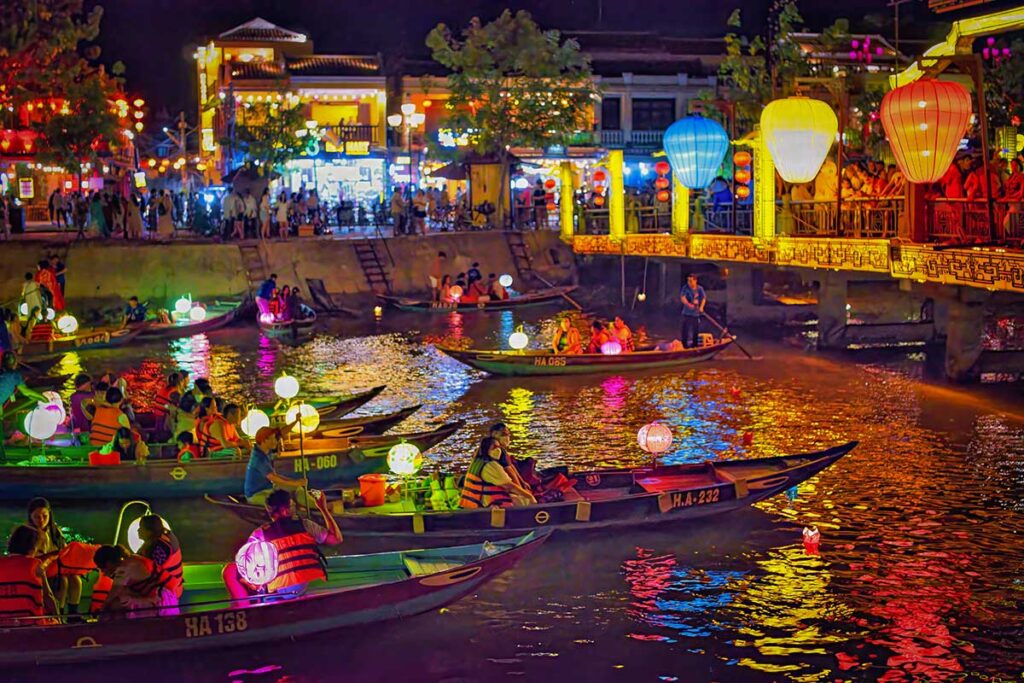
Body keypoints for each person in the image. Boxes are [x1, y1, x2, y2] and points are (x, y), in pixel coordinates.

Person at [222, 488, 341, 604]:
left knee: (230, 570)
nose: (295, 509)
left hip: (275, 590)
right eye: (293, 506)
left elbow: (245, 562)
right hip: (298, 589)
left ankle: (242, 607)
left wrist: (250, 581)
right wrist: (323, 508)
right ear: (285, 511)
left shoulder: (261, 533)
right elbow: (336, 539)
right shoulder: (306, 525)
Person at [27, 497, 84, 617]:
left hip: (56, 567)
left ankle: (73, 614)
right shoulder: (28, 533)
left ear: (50, 515)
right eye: (37, 517)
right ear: (30, 517)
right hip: (40, 569)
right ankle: (59, 614)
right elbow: (28, 558)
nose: (41, 520)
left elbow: (64, 549)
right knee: (62, 581)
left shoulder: (55, 531)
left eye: (45, 516)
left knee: (76, 579)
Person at [92, 544, 179, 618]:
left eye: (102, 568)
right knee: (122, 598)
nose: (103, 572)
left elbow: (113, 594)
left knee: (116, 604)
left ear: (108, 563)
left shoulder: (125, 567)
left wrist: (101, 611)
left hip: (162, 604)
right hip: (165, 601)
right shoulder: (133, 559)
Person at [0, 525, 58, 625]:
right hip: (31, 623)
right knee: (54, 622)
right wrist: (59, 618)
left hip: (3, 624)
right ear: (33, 548)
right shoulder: (35, 565)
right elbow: (48, 596)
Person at [460, 437, 536, 508]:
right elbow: (509, 486)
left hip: (473, 503)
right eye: (494, 447)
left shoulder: (477, 462)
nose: (498, 450)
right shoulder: (490, 465)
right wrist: (529, 496)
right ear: (486, 449)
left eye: (498, 447)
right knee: (525, 500)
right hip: (488, 504)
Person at [244, 427, 310, 506]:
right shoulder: (258, 458)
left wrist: (295, 483)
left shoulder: (266, 451)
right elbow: (273, 478)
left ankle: (315, 506)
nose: (275, 441)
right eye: (272, 439)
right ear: (264, 441)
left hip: (268, 488)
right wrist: (295, 483)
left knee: (297, 489)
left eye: (275, 438)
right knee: (285, 503)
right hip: (256, 494)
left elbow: (275, 476)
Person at [136, 515, 183, 604]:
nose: (138, 530)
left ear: (149, 531)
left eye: (141, 527)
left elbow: (149, 573)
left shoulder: (161, 548)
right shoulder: (164, 538)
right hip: (168, 590)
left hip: (167, 595)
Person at [680, 273, 706, 348]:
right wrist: (688, 304)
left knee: (695, 330)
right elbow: (683, 297)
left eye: (691, 281)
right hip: (686, 313)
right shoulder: (685, 288)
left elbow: (703, 298)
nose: (689, 283)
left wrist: (701, 307)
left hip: (695, 314)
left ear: (695, 281)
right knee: (685, 330)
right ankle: (684, 346)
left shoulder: (699, 289)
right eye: (688, 281)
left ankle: (695, 346)